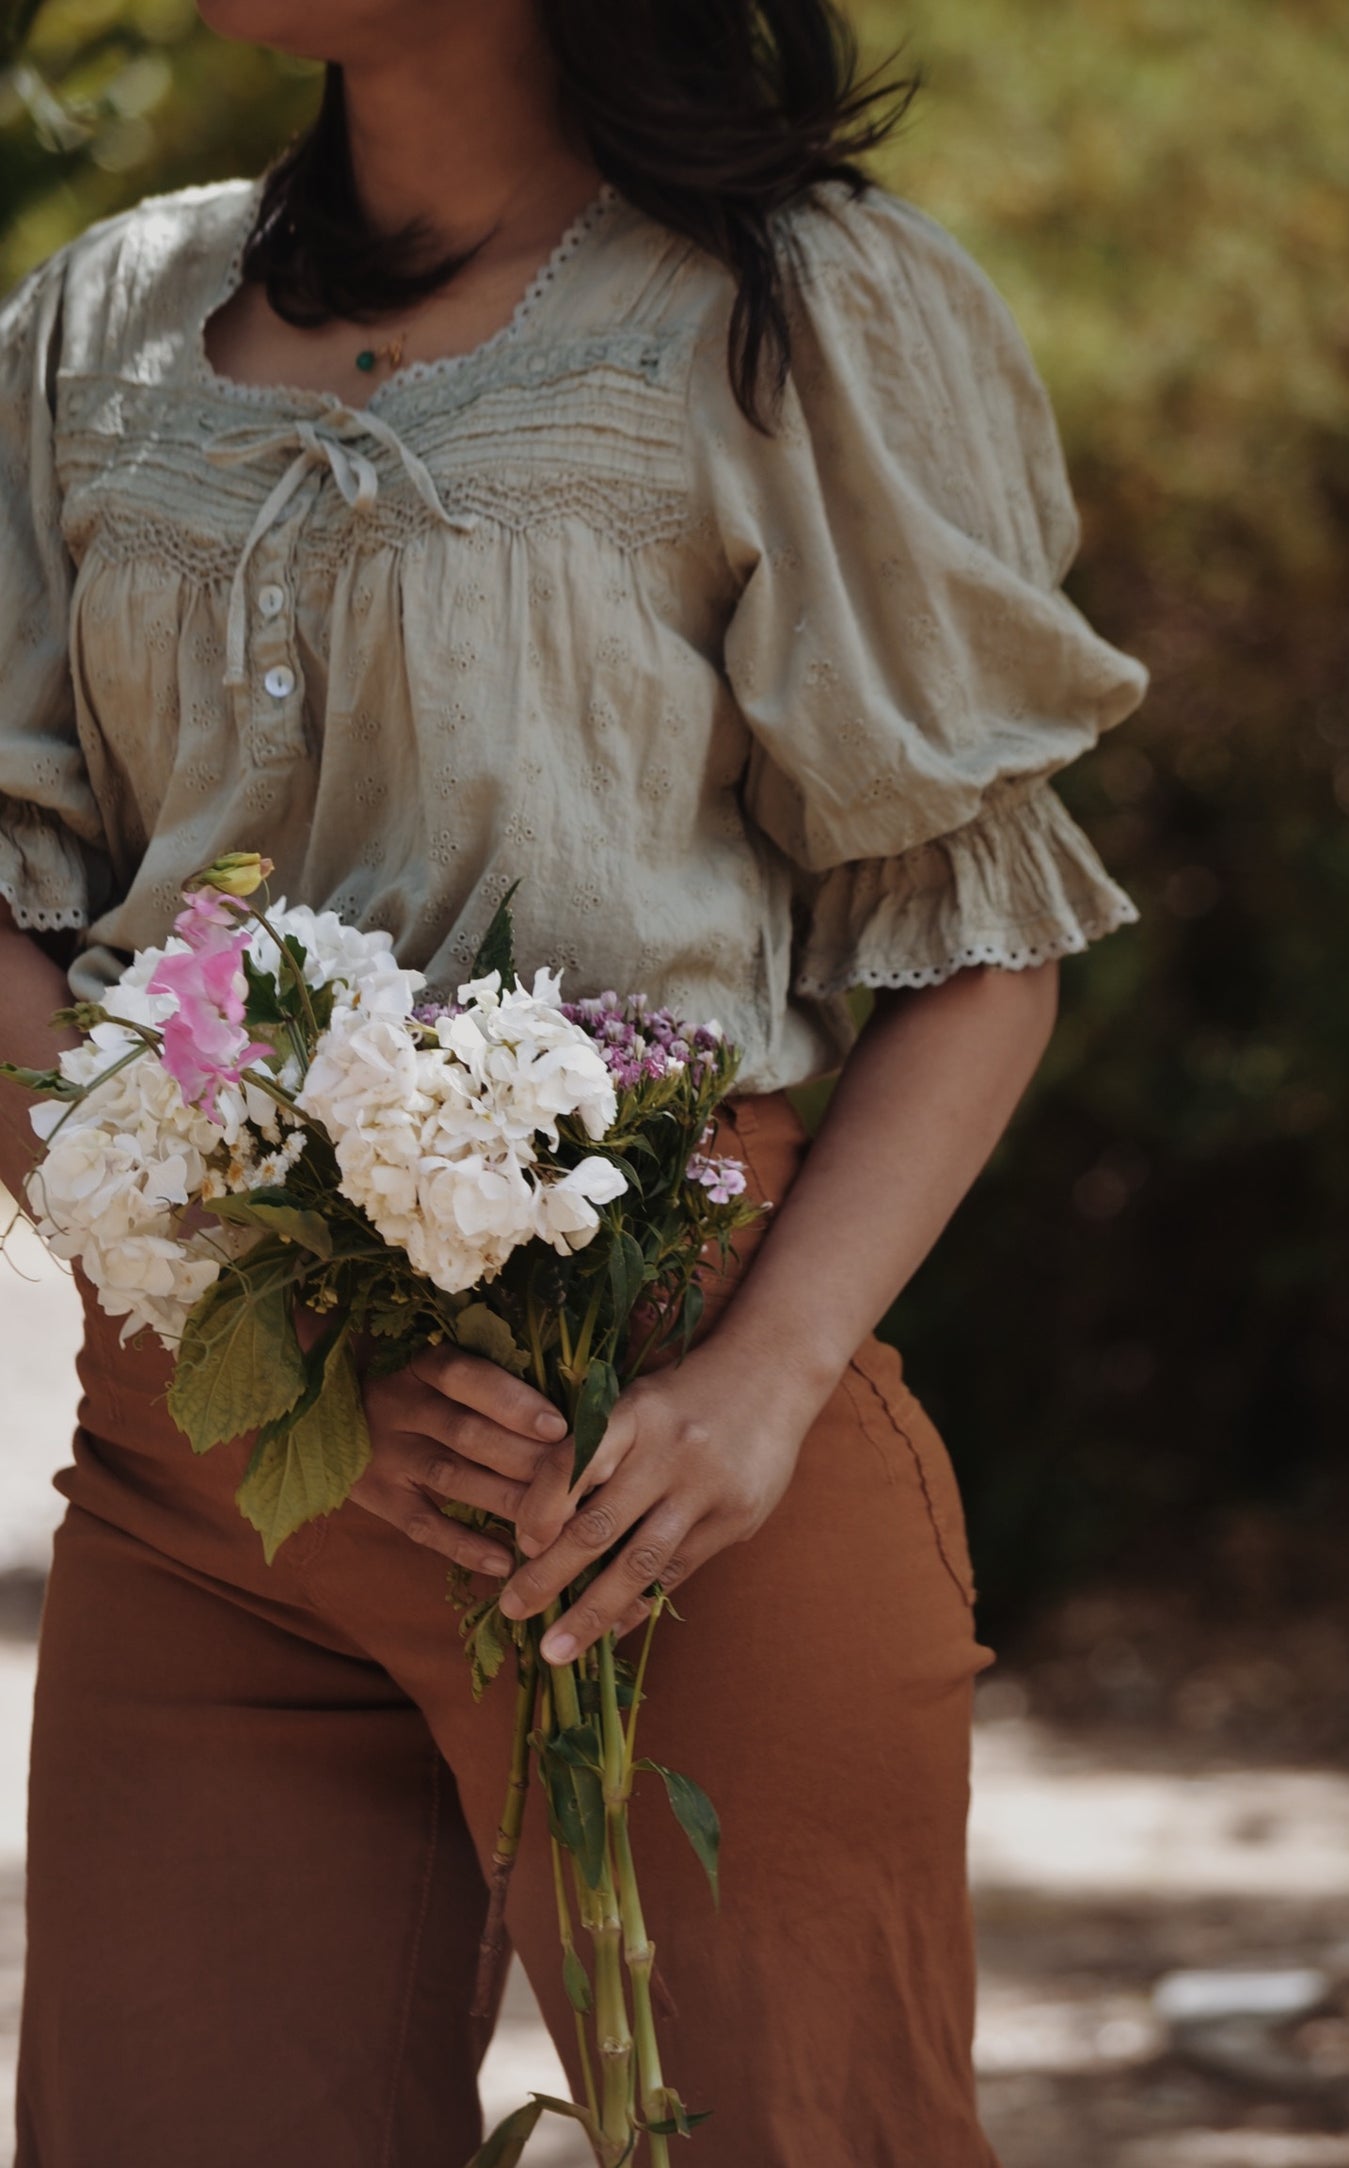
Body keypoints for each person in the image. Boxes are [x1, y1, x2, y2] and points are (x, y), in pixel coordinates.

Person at [0, 1, 1147, 2161]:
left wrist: (764, 1387)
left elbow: (983, 939)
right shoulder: (100, 324)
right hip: (206, 1500)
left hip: (656, 1486)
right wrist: (250, 1297)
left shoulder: (793, 310)